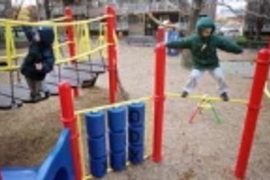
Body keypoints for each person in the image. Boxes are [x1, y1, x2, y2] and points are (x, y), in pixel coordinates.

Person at [166, 16, 243, 101]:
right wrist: (167, 44)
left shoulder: (215, 39)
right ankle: (186, 90)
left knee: (220, 76)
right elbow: (181, 42)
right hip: (199, 63)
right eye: (205, 31)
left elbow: (226, 44)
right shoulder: (193, 39)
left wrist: (238, 49)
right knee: (194, 76)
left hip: (212, 63)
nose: (208, 32)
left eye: (209, 31)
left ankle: (223, 92)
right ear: (200, 30)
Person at [21, 26, 55, 102]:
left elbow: (49, 63)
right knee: (29, 79)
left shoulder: (47, 50)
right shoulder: (34, 40)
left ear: (43, 38)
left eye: (37, 34)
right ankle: (37, 93)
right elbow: (29, 33)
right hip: (28, 66)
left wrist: (42, 67)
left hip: (37, 71)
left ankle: (36, 95)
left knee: (36, 82)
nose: (35, 35)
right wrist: (24, 25)